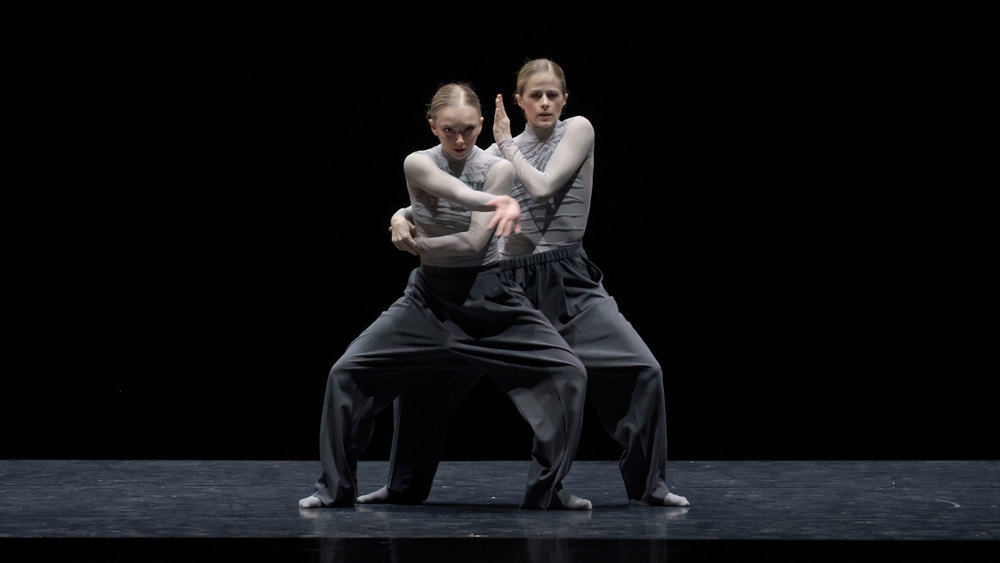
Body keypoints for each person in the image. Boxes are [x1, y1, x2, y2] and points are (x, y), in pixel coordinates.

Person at [362, 59, 689, 507]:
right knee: (429, 377)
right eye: (535, 95)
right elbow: (436, 194)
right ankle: (404, 487)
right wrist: (398, 216)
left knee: (641, 369)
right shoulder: (498, 151)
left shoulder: (577, 130)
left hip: (568, 280)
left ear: (565, 98)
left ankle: (649, 485)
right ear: (517, 101)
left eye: (553, 93)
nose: (545, 102)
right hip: (503, 284)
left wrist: (503, 145)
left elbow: (542, 187)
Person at [298, 82, 591, 510]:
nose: (459, 140)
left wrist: (413, 239)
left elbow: (474, 244)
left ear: (479, 126)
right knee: (346, 373)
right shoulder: (417, 161)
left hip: (490, 298)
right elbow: (445, 192)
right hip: (428, 299)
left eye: (470, 130)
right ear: (433, 126)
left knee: (569, 373)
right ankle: (335, 490)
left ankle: (547, 492)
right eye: (450, 130)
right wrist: (402, 216)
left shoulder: (498, 168)